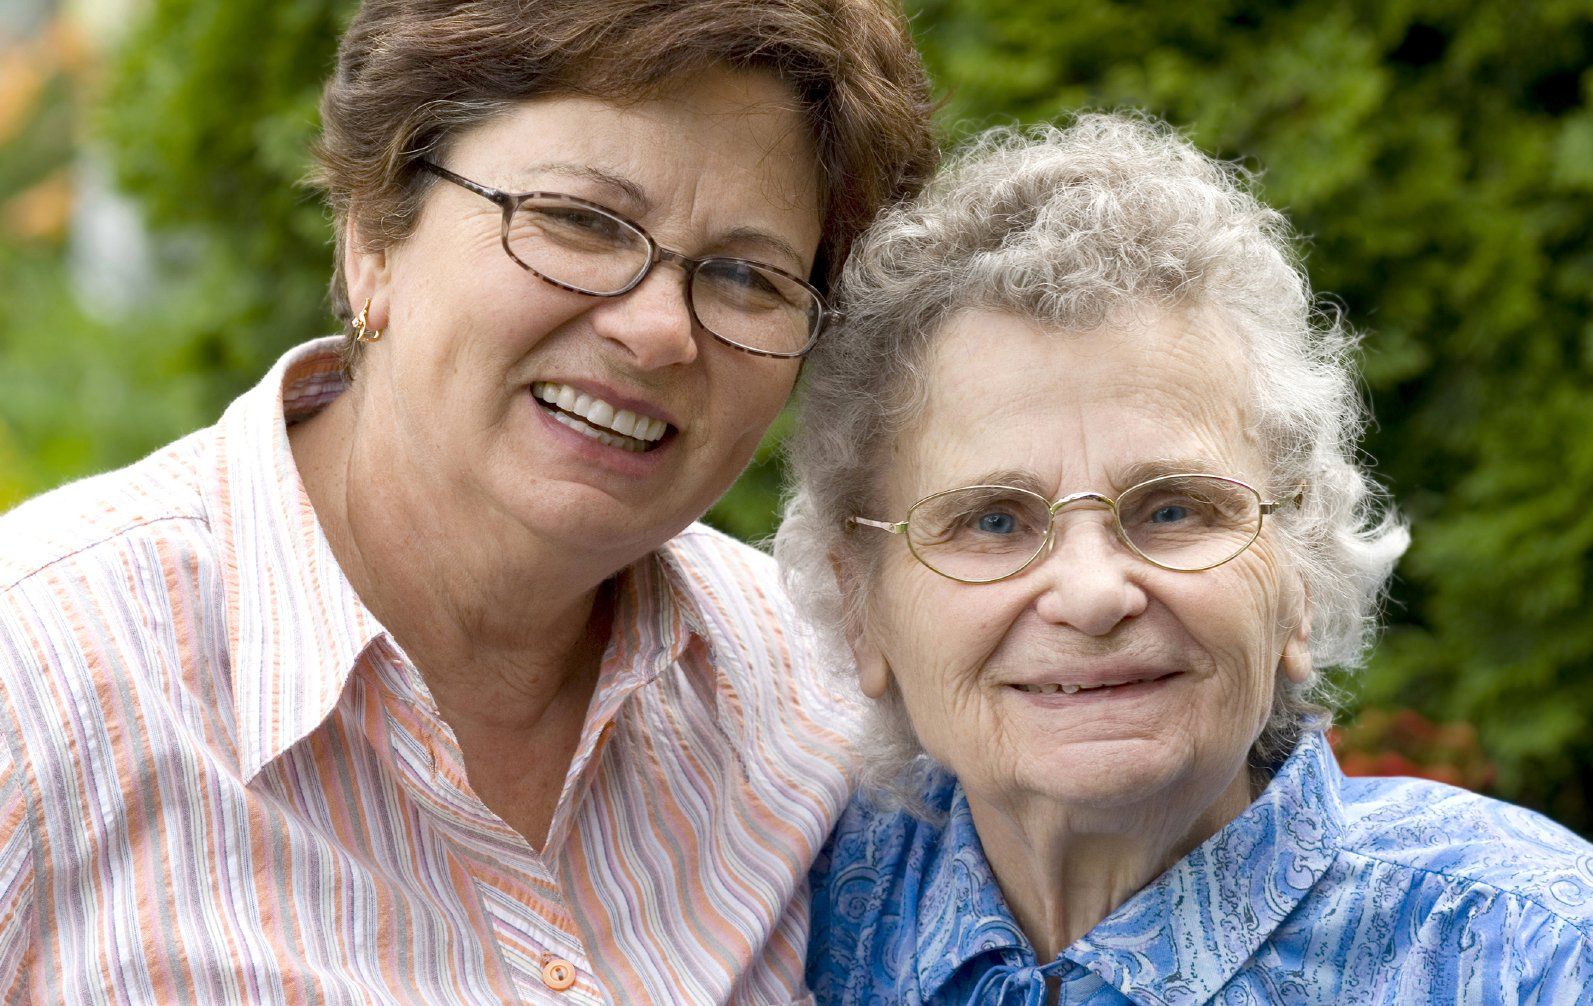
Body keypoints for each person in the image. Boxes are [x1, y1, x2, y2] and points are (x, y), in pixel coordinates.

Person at [0, 2, 937, 1002]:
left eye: (747, 276)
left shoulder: (831, 714)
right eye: (580, 221)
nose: (661, 329)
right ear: (373, 234)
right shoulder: (39, 684)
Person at [777, 114, 1593, 1004]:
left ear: (1298, 570)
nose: (1091, 595)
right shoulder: (784, 923)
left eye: (1171, 509)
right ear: (861, 610)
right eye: (992, 522)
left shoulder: (1532, 953)